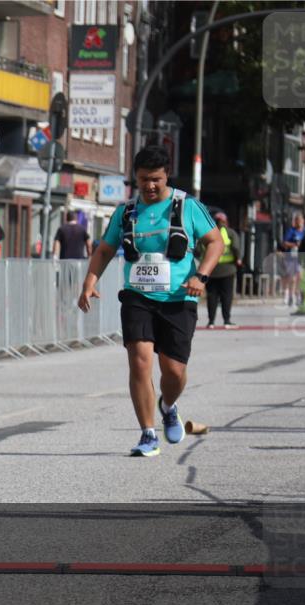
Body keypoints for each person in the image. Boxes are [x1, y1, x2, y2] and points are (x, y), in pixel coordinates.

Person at [78, 145, 223, 458]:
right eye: (144, 179)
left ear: (166, 175)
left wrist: (201, 277)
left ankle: (168, 406)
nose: (150, 185)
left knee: (173, 371)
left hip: (178, 298)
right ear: (135, 178)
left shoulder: (187, 206)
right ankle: (147, 434)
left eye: (156, 179)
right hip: (137, 296)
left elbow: (215, 243)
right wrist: (90, 282)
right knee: (139, 361)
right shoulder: (127, 211)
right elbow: (105, 249)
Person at [199, 211, 241, 329]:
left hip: (210, 269)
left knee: (212, 296)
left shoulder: (206, 232)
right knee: (226, 296)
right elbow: (236, 248)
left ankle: (211, 322)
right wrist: (238, 259)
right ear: (225, 221)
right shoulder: (230, 233)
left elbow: (198, 249)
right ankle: (226, 321)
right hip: (228, 269)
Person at [281, 214, 305, 307]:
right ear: (295, 221)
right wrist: (295, 244)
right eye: (297, 221)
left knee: (300, 277)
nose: (299, 223)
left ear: (303, 221)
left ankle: (297, 295)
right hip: (291, 256)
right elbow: (285, 243)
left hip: (301, 257)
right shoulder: (291, 231)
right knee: (291, 278)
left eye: (300, 221)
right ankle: (288, 296)